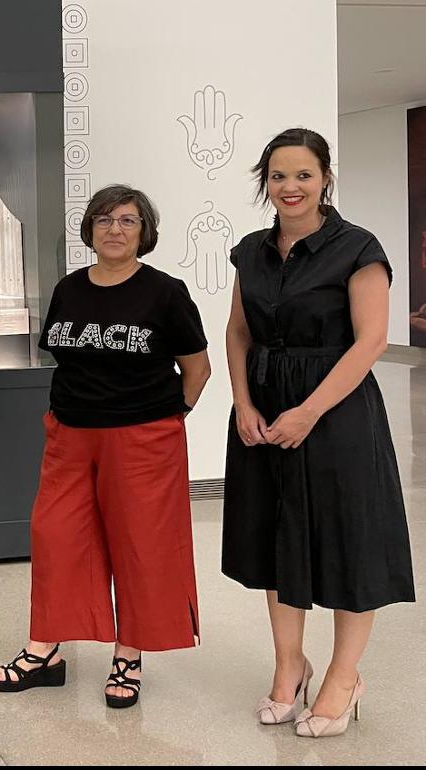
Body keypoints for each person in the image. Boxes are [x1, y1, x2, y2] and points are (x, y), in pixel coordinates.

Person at [222, 128, 415, 738]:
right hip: (264, 409)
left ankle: (342, 677)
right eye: (278, 176)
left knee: (346, 540)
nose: (290, 187)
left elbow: (372, 341)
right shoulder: (251, 250)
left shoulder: (357, 247)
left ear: (325, 177)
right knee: (276, 539)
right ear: (265, 182)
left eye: (303, 174)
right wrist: (243, 402)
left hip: (336, 413)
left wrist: (308, 411)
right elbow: (237, 331)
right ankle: (288, 669)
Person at [0, 184, 211, 708]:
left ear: (145, 232)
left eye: (128, 221)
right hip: (70, 435)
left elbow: (197, 368)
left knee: (140, 545)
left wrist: (167, 420)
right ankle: (46, 650)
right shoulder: (69, 289)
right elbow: (66, 358)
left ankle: (128, 655)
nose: (115, 230)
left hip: (141, 440)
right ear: (90, 228)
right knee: (56, 537)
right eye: (106, 220)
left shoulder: (165, 292)